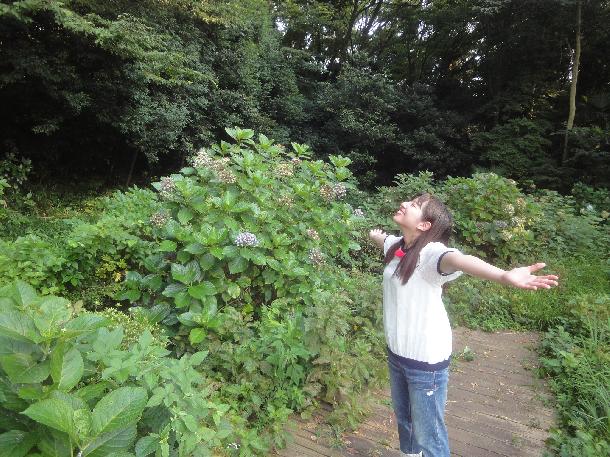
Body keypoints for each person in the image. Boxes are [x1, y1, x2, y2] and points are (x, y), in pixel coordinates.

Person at [368, 193, 559, 457]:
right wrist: (374, 235)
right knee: (405, 422)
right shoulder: (398, 246)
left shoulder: (432, 254)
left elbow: (461, 260)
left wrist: (503, 275)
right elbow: (383, 239)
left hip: (425, 362)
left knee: (429, 435)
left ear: (425, 225)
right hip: (397, 355)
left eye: (414, 206)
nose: (404, 204)